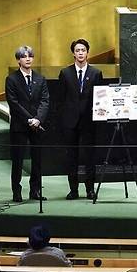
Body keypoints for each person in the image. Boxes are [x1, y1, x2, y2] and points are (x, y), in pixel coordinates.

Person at [57, 38, 103, 200]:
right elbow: (60, 100)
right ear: (73, 54)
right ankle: (73, 189)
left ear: (87, 52)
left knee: (89, 156)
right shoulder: (65, 73)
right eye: (77, 50)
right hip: (70, 122)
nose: (80, 53)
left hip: (89, 121)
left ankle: (90, 189)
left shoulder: (96, 73)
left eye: (83, 50)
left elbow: (100, 98)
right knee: (72, 156)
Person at [5, 45, 50, 202]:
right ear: (18, 60)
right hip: (20, 126)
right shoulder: (11, 79)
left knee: (37, 160)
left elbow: (45, 101)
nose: (28, 58)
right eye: (24, 56)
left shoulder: (40, 78)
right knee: (17, 160)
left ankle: (35, 191)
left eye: (30, 55)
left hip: (37, 125)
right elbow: (14, 103)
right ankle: (16, 192)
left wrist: (38, 119)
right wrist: (29, 119)